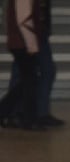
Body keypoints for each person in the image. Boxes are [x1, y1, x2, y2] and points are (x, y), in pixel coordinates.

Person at [0, 0, 42, 130]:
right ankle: (28, 119)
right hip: (22, 44)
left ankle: (8, 112)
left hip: (19, 43)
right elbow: (23, 21)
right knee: (29, 81)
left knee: (27, 81)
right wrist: (32, 45)